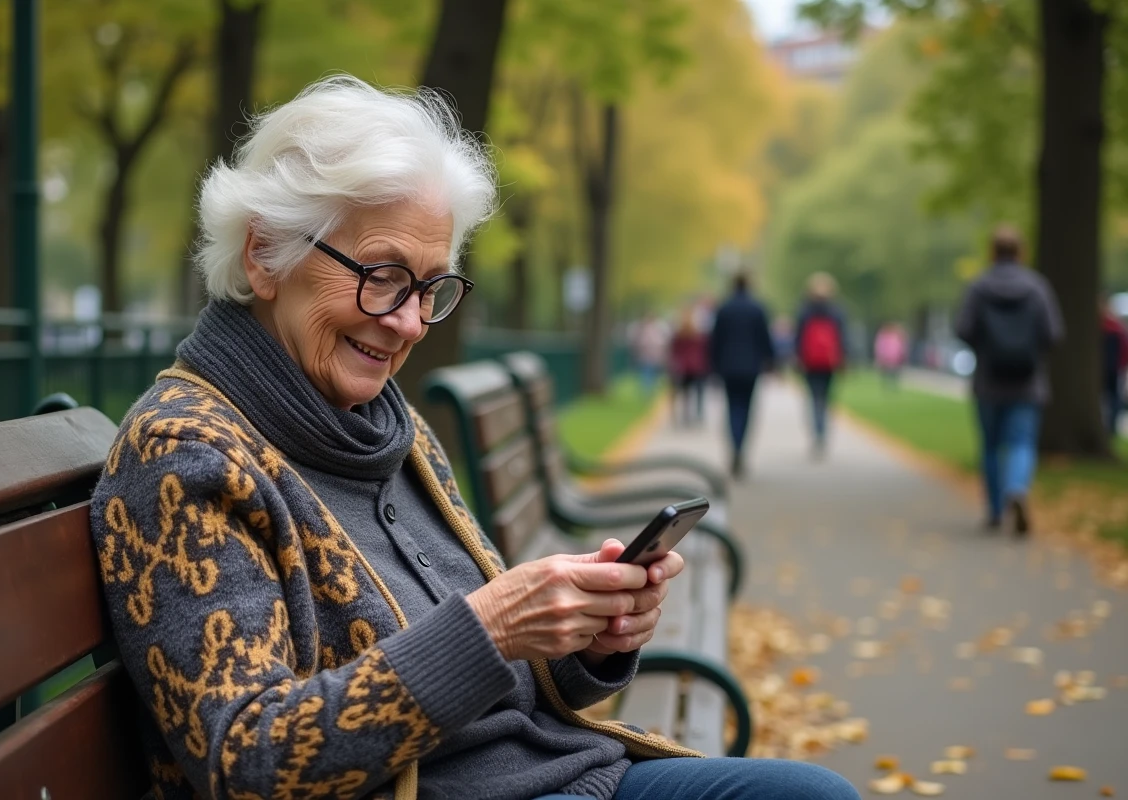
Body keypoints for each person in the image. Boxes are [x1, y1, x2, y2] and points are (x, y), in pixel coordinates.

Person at [90, 77, 857, 800]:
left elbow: (499, 681)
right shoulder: (185, 456)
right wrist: (490, 626)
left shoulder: (389, 427)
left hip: (559, 769)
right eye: (383, 275)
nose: (409, 321)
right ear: (265, 254)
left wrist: (586, 644)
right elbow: (248, 759)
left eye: (430, 288)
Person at [955, 226, 1064, 536]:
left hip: (989, 380)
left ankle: (994, 510)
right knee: (1021, 442)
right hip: (1028, 382)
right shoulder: (1037, 287)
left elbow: (963, 328)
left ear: (992, 251)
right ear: (1021, 252)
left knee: (991, 446)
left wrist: (988, 346)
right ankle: (1017, 488)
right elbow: (1054, 333)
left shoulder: (978, 287)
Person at [709, 272, 774, 478]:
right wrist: (770, 361)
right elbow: (765, 338)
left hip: (728, 367)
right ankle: (740, 447)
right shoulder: (757, 308)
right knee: (746, 409)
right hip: (751, 367)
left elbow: (715, 340)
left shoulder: (724, 308)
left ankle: (735, 447)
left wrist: (713, 365)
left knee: (732, 408)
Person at [794, 273, 846, 458]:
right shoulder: (836, 311)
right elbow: (842, 337)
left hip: (809, 361)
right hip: (829, 362)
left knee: (813, 397)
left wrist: (798, 358)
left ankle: (817, 432)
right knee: (825, 398)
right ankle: (822, 432)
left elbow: (798, 338)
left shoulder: (804, 311)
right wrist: (843, 359)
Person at [668, 304, 711, 426]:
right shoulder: (698, 334)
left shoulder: (679, 333)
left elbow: (674, 350)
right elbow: (705, 349)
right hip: (697, 366)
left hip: (684, 367)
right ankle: (698, 414)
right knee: (699, 391)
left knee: (685, 393)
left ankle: (686, 415)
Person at [1100, 295, 1128, 438]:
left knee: (1111, 398)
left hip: (1110, 368)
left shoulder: (1109, 327)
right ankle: (1110, 426)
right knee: (1112, 398)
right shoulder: (1115, 326)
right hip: (1113, 368)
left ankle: (1110, 426)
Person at [630, 311, 671, 396]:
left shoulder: (656, 329)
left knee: (650, 374)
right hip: (647, 356)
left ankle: (648, 390)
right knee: (647, 373)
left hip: (653, 356)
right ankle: (647, 391)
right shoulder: (643, 329)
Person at [873, 322, 907, 389]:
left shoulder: (895, 336)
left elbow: (900, 347)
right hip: (889, 357)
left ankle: (892, 385)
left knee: (893, 372)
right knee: (887, 372)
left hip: (894, 357)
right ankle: (889, 385)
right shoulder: (885, 336)